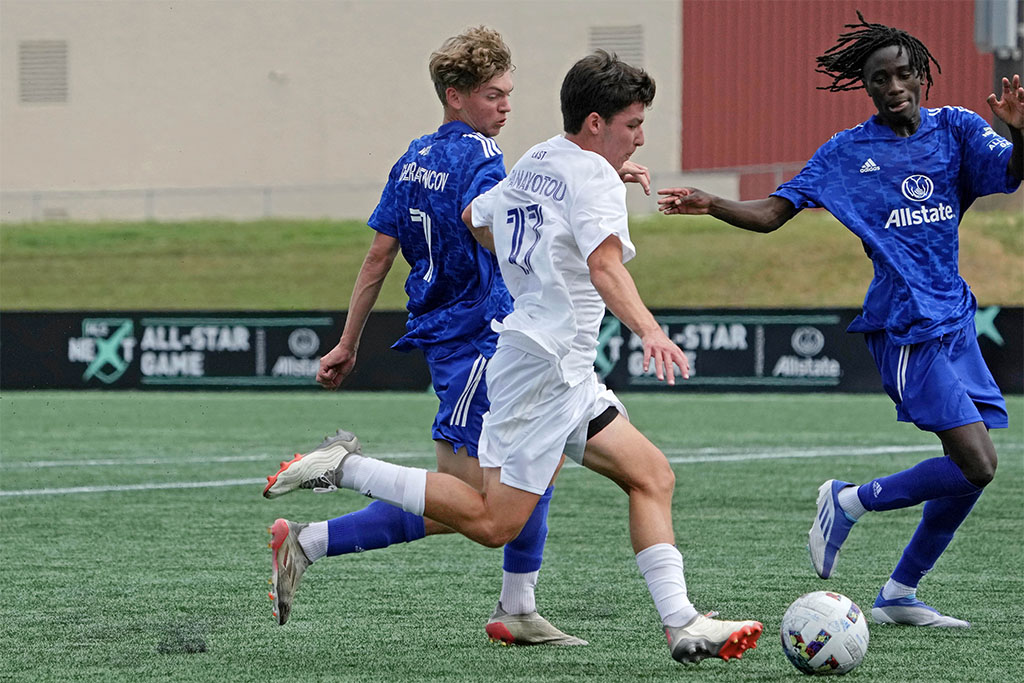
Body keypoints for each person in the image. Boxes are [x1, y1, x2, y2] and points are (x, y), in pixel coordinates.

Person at [264, 49, 763, 665]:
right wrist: (651, 331)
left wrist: (549, 239)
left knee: (651, 476)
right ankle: (345, 470)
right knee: (489, 519)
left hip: (555, 365)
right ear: (596, 123)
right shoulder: (577, 173)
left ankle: (680, 624)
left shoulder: (539, 157)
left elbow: (478, 219)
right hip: (538, 369)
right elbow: (605, 266)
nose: (641, 136)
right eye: (633, 124)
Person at [657, 12, 1022, 628]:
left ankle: (899, 594)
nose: (895, 85)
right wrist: (711, 201)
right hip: (906, 329)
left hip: (956, 320)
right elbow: (774, 214)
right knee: (977, 463)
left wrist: (1020, 132)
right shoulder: (848, 153)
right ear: (869, 87)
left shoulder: (957, 129)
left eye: (905, 73)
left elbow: (1012, 171)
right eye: (881, 78)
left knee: (974, 471)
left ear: (922, 76)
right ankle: (848, 500)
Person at [262, 26, 585, 645]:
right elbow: (489, 227)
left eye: (509, 93)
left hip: (465, 340)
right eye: (494, 95)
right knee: (476, 501)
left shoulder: (411, 159)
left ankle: (516, 607)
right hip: (475, 341)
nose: (507, 106)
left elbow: (378, 257)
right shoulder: (483, 159)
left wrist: (347, 342)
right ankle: (337, 484)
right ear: (455, 94)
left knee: (530, 475)